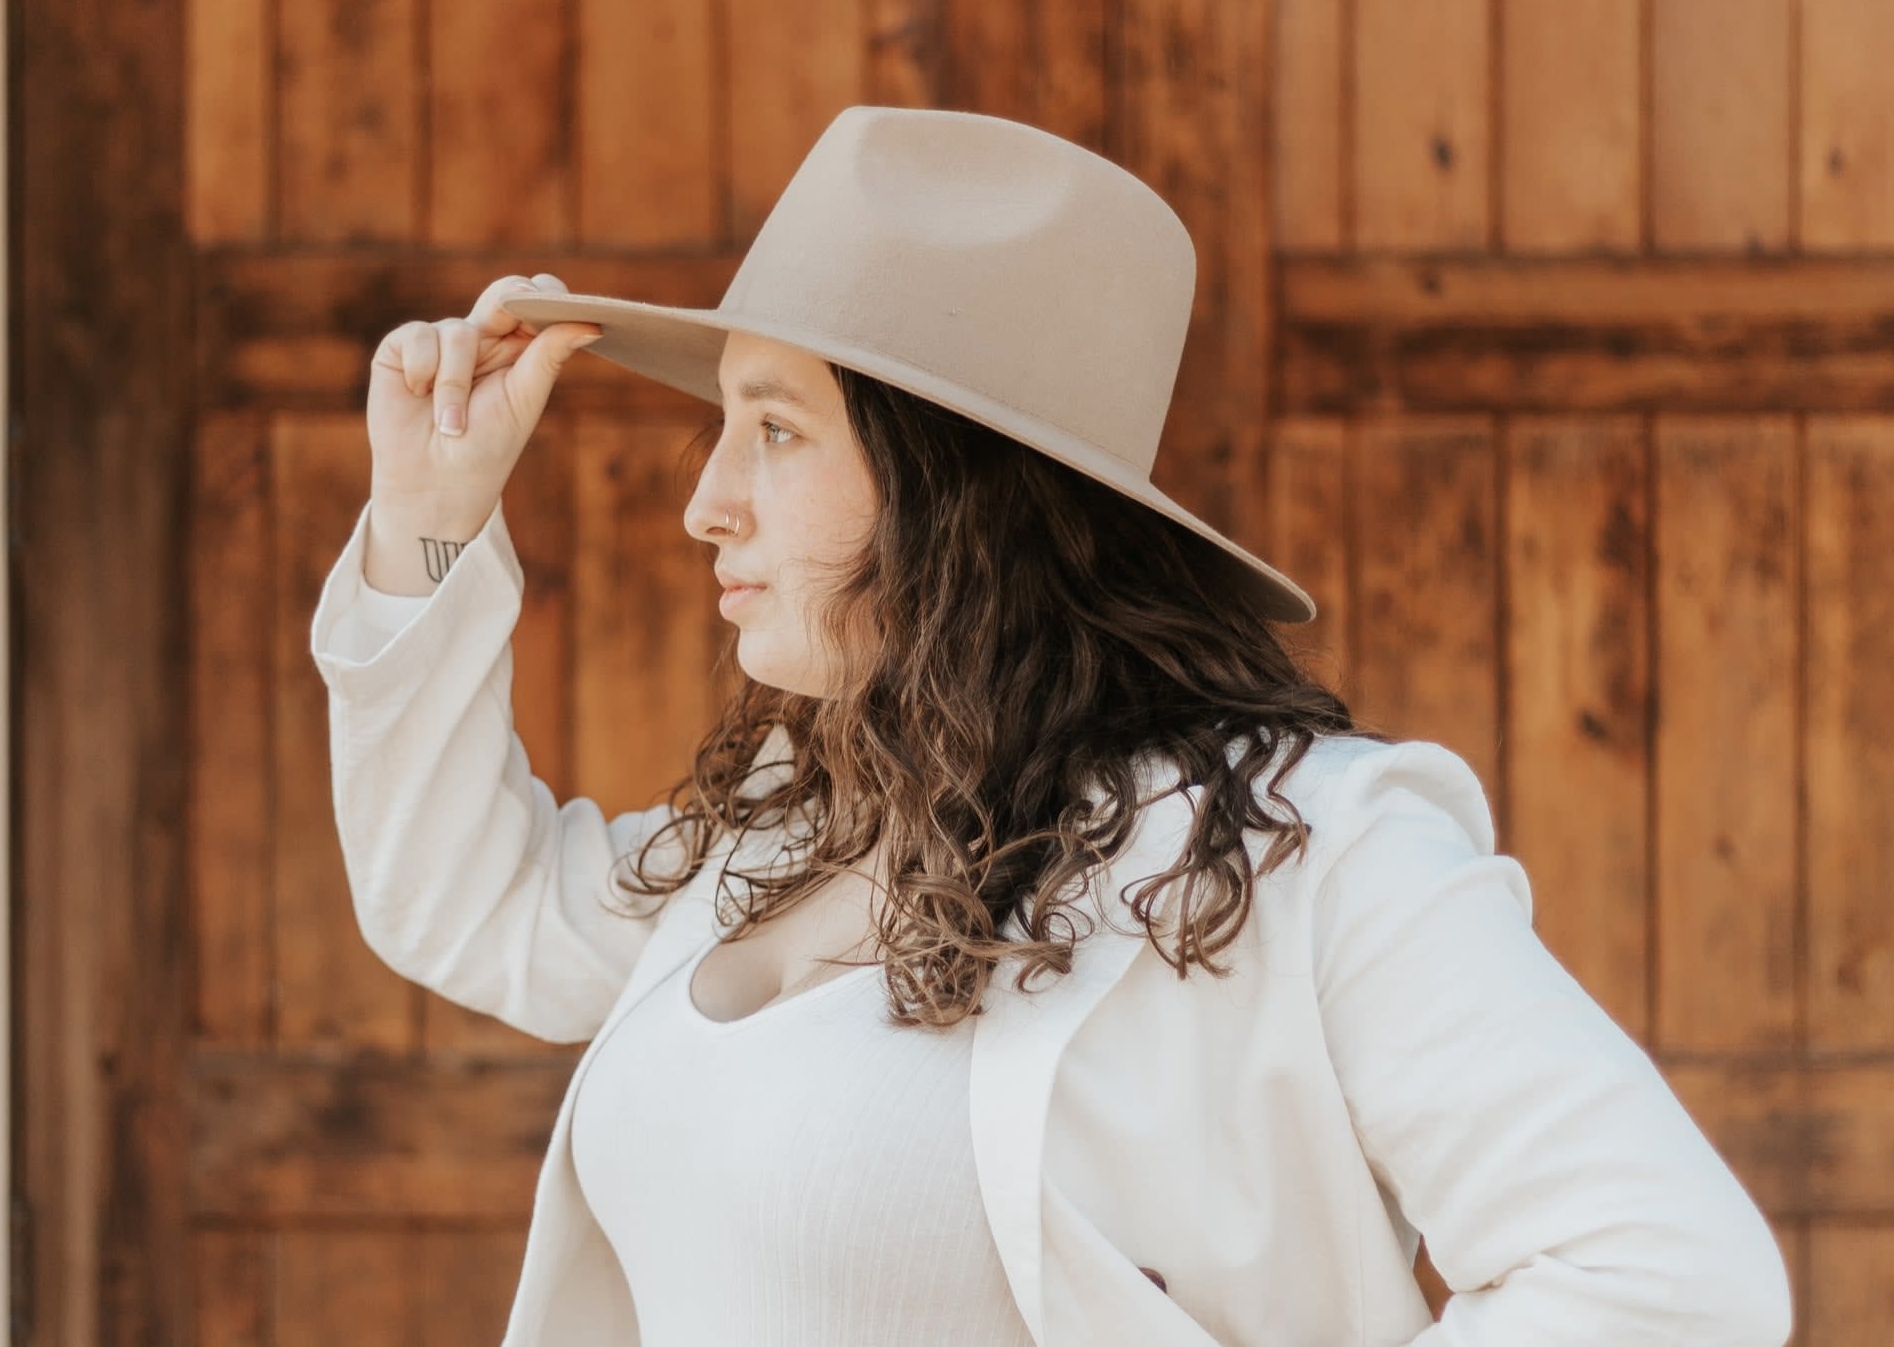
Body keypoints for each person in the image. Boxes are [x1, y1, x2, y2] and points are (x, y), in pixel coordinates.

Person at [309, 105, 1793, 1345]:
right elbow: (469, 904)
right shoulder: (792, 817)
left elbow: (1662, 1280)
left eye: (776, 429)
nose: (708, 501)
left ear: (958, 495)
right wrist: (428, 525)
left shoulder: (1306, 855)